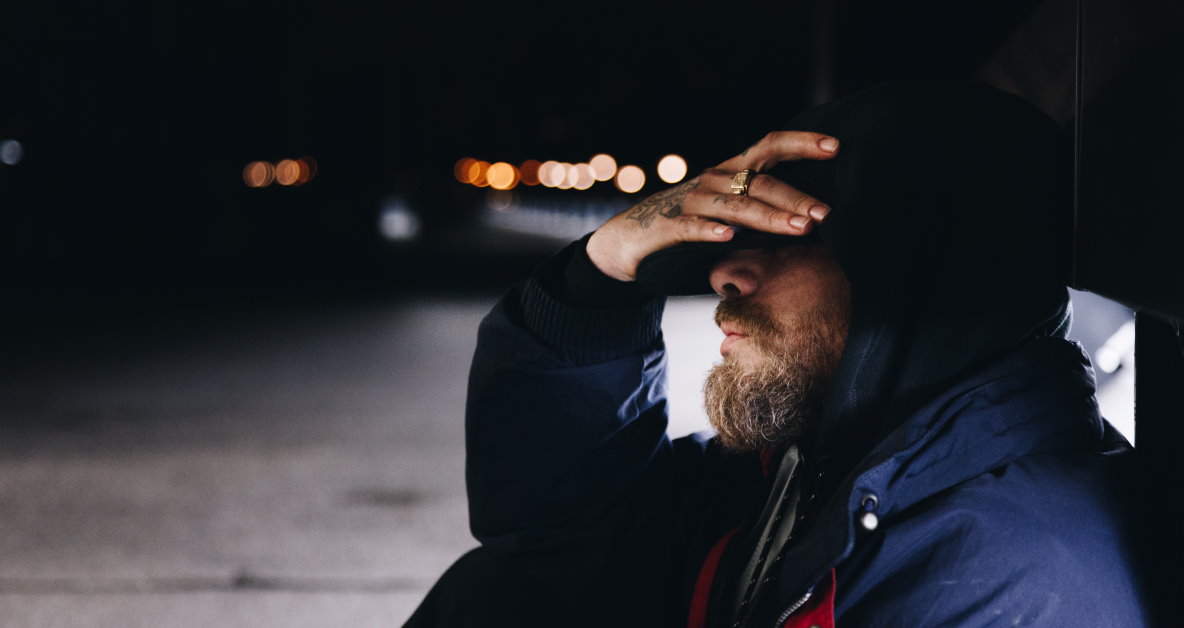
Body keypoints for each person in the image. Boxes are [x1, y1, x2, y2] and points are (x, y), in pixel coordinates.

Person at [407, 80, 1151, 627]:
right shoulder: (817, 466)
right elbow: (556, 539)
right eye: (742, 234)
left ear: (916, 274)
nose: (724, 273)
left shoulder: (1007, 580)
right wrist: (597, 273)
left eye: (796, 236)